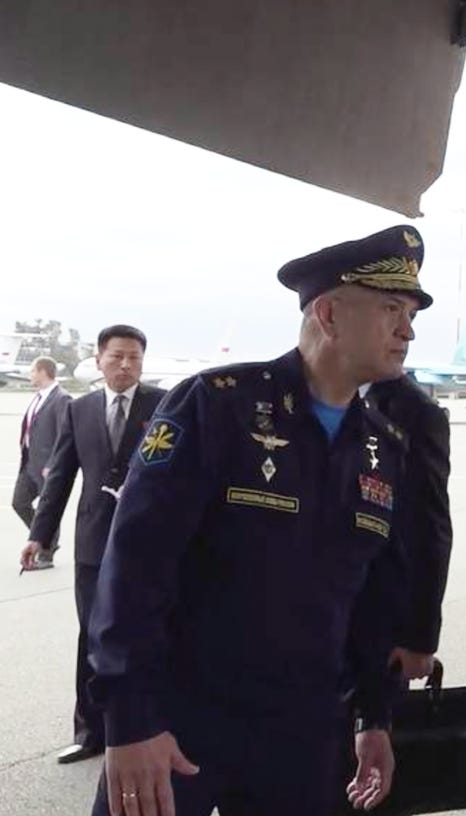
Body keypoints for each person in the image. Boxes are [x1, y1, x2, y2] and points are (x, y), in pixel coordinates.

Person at [84, 226, 431, 816]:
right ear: (328, 313)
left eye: (410, 313)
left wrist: (375, 716)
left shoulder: (381, 447)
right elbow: (135, 567)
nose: (408, 329)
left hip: (304, 732)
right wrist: (130, 719)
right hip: (179, 723)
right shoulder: (216, 406)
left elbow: (370, 598)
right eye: (391, 308)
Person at [20, 326, 164, 764]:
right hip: (93, 543)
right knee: (92, 636)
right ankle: (90, 733)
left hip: (149, 544)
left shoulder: (164, 405)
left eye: (134, 358)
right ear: (99, 360)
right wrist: (39, 535)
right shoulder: (79, 409)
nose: (126, 365)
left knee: (149, 634)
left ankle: (149, 725)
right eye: (117, 356)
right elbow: (61, 476)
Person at [366, 372, 453, 679]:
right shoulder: (277, 399)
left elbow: (428, 528)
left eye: (410, 319)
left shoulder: (416, 412)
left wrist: (418, 638)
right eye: (392, 318)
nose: (406, 332)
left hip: (372, 631)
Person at [12, 355, 72, 568]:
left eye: (32, 371)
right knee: (19, 502)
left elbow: (65, 435)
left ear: (43, 371)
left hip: (48, 466)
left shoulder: (61, 398)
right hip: (29, 463)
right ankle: (43, 538)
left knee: (49, 507)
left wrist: (54, 463)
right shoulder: (38, 397)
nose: (30, 375)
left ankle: (46, 552)